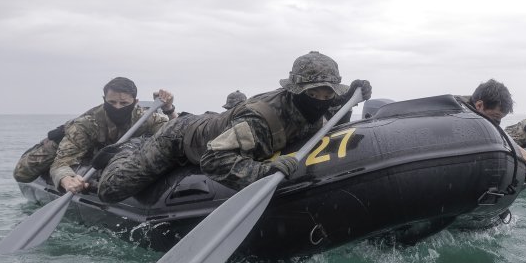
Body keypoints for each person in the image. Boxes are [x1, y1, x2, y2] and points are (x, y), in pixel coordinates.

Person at [96, 51, 372, 202]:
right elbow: (213, 159)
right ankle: (127, 149)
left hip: (214, 129)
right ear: (296, 91)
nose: (322, 101)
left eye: (328, 95)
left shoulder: (322, 103)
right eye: (314, 94)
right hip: (181, 137)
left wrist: (349, 99)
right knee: (111, 191)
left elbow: (333, 115)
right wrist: (264, 170)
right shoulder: (261, 120)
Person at [46, 77, 177, 194]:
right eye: (112, 102)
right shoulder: (87, 123)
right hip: (90, 160)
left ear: (135, 101)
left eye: (124, 103)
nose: (118, 107)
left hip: (124, 159)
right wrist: (67, 180)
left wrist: (169, 108)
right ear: (104, 100)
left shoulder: (146, 118)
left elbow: (175, 131)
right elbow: (61, 163)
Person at [460, 79, 526, 179]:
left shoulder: (472, 108)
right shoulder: (460, 116)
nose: (496, 123)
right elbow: (507, 144)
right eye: (495, 117)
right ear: (479, 105)